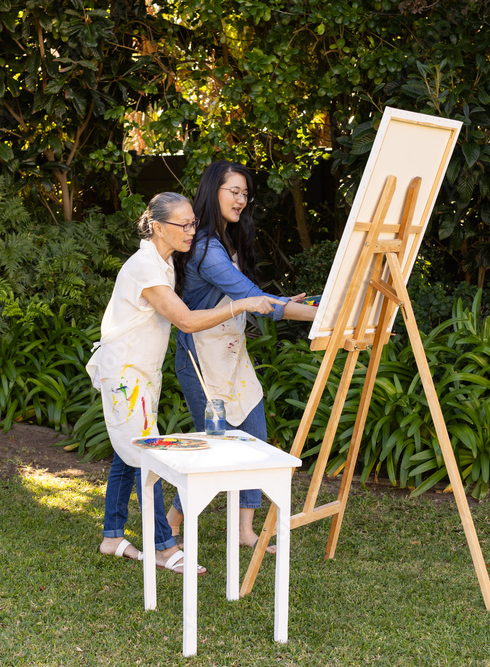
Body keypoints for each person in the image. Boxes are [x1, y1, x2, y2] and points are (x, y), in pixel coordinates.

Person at [86, 191, 283, 574]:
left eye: (194, 222)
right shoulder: (145, 267)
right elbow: (187, 321)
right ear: (158, 227)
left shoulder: (164, 263)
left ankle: (112, 536)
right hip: (125, 374)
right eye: (184, 224)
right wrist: (241, 303)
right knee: (148, 455)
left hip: (141, 372)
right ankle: (163, 546)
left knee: (128, 452)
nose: (193, 230)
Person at [167, 161, 318, 550]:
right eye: (233, 191)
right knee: (215, 449)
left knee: (254, 436)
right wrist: (316, 312)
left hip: (231, 354)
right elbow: (248, 295)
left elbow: (255, 297)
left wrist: (285, 303)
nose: (241, 199)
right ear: (212, 191)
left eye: (245, 193)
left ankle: (243, 530)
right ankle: (171, 523)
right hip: (201, 358)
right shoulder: (204, 246)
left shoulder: (225, 241)